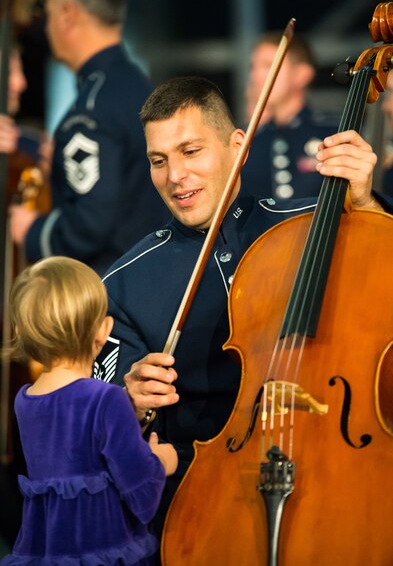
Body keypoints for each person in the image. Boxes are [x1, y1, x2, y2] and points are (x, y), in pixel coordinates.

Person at [94, 76, 391, 542]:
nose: (175, 176)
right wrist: (125, 401)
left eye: (191, 151)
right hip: (204, 500)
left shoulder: (320, 225)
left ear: (239, 146)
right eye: (159, 160)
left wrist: (367, 204)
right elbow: (96, 425)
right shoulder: (124, 283)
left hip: (336, 464)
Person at [0, 256, 178, 566]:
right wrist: (161, 461)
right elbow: (142, 495)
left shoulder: (24, 400)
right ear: (103, 331)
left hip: (51, 549)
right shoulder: (107, 400)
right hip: (105, 547)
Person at [8, 0, 169, 275]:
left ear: (68, 13)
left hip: (108, 294)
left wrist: (32, 231)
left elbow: (90, 223)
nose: (46, 25)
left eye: (49, 14)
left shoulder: (91, 111)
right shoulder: (137, 84)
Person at [242, 31, 340, 200]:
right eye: (253, 67)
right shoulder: (248, 144)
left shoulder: (335, 132)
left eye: (268, 65)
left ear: (302, 74)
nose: (255, 76)